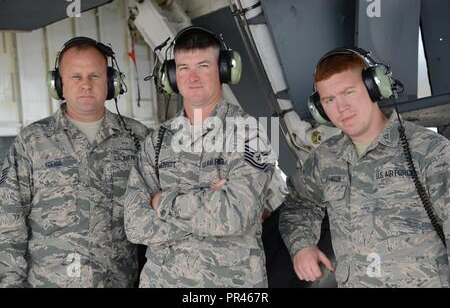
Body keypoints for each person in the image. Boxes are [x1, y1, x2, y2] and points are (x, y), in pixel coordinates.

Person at [279, 47, 450, 288]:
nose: (341, 107)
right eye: (329, 100)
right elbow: (299, 203)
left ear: (375, 88)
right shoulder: (325, 159)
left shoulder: (428, 151)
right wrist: (302, 246)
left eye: (349, 92)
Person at [123, 26, 275, 287]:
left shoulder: (251, 132)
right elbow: (135, 225)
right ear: (171, 75)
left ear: (223, 70)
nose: (192, 77)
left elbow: (235, 215)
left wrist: (162, 201)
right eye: (183, 68)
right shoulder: (156, 141)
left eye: (203, 65)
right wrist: (209, 203)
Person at [0, 37, 148, 287]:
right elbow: (8, 221)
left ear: (111, 82)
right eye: (75, 77)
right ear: (59, 85)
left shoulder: (137, 138)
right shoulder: (32, 141)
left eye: (95, 76)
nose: (86, 85)